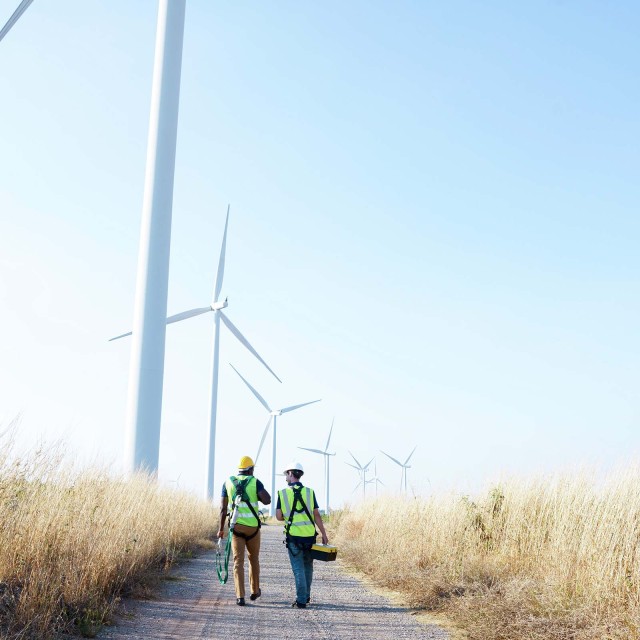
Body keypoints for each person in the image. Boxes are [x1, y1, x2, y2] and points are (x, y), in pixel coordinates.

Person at [218, 455, 271, 606]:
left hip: (236, 529)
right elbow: (267, 500)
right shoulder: (255, 482)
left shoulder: (228, 482)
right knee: (253, 559)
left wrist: (221, 530)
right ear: (251, 469)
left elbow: (222, 509)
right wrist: (256, 493)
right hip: (253, 528)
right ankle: (255, 591)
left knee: (237, 562)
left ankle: (240, 596)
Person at [276, 461, 329, 609]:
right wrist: (324, 534)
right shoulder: (310, 492)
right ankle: (305, 597)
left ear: (291, 474)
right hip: (310, 537)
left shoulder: (283, 493)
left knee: (298, 568)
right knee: (308, 567)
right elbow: (317, 515)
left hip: (293, 537)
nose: (286, 476)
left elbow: (279, 517)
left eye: (286, 474)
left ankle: (301, 601)